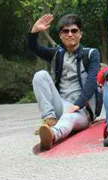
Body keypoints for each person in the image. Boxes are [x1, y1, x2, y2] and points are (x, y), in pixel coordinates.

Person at [28, 14, 101, 151]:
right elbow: (34, 48)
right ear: (60, 36)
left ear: (80, 34)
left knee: (69, 118)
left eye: (74, 31)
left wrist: (78, 104)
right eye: (65, 31)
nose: (70, 34)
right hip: (61, 104)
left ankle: (52, 134)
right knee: (40, 75)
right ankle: (50, 119)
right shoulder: (58, 54)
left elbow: (92, 81)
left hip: (81, 109)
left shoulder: (91, 54)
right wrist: (34, 31)